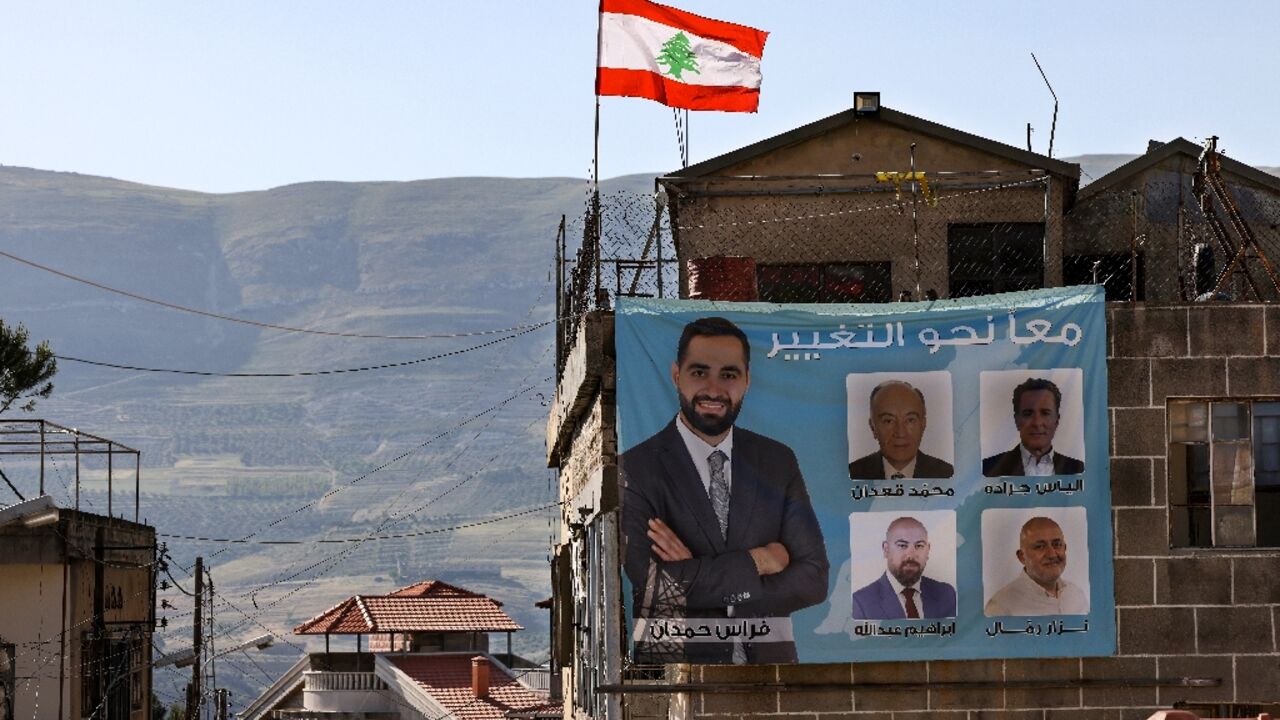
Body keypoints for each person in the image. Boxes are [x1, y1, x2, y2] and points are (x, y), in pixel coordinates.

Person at [620, 317, 830, 664]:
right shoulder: (637, 468)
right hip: (677, 676)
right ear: (677, 375)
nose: (714, 390)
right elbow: (651, 583)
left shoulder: (777, 461)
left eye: (729, 375)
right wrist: (758, 561)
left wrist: (698, 574)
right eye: (699, 372)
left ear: (747, 380)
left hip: (771, 677)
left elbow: (813, 579)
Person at [852, 516, 956, 620]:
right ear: (886, 550)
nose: (911, 555)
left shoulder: (946, 594)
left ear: (928, 550)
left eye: (919, 545)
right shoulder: (861, 603)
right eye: (902, 545)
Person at [849, 381, 954, 480]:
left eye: (910, 420)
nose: (900, 433)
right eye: (888, 421)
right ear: (873, 427)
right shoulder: (852, 473)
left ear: (923, 424)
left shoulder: (947, 474)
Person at [984, 516, 1088, 616]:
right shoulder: (1001, 608)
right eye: (1040, 547)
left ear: (1065, 548)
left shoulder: (1076, 595)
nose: (1052, 554)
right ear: (1022, 557)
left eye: (1057, 544)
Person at [982, 378, 1084, 477]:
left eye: (1045, 413)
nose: (1037, 423)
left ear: (1057, 420)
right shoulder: (988, 468)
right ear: (1016, 420)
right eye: (1028, 414)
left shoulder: (1079, 469)